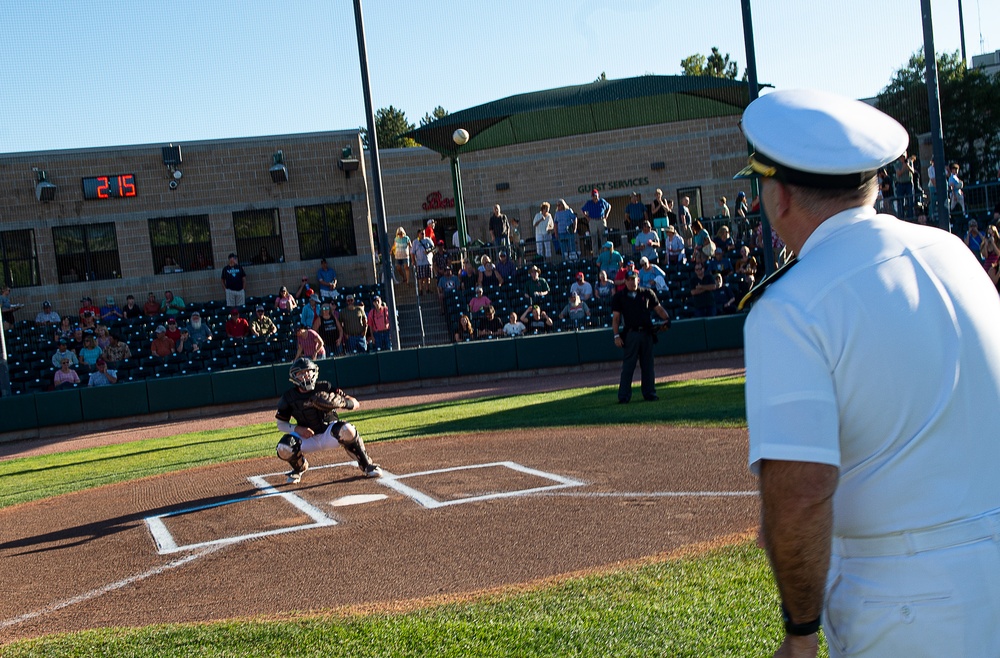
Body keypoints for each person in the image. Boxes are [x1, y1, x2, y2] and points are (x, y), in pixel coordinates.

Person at [735, 88, 1000, 658]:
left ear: (777, 196)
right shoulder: (954, 251)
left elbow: (802, 491)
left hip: (908, 605)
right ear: (871, 183)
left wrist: (800, 635)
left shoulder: (790, 306)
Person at [274, 357, 382, 483]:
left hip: (329, 433)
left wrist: (343, 403)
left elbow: (355, 403)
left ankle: (366, 465)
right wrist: (298, 429)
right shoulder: (288, 397)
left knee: (348, 429)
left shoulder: (325, 386)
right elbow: (281, 424)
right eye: (301, 373)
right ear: (294, 377)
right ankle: (299, 467)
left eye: (308, 371)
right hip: (308, 437)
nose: (305, 376)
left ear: (314, 372)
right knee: (283, 447)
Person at [611, 268, 670, 404]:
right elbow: (616, 318)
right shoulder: (619, 296)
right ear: (625, 281)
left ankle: (650, 393)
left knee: (648, 365)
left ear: (638, 279)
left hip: (646, 332)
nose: (632, 282)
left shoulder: (647, 293)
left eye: (634, 279)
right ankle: (624, 396)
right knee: (628, 367)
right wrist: (616, 336)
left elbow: (658, 308)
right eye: (629, 280)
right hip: (631, 333)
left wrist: (667, 319)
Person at [581, 189, 611, 257]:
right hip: (593, 221)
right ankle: (595, 255)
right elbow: (583, 210)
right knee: (594, 238)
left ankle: (605, 253)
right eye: (593, 196)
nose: (595, 197)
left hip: (601, 220)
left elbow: (609, 206)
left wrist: (606, 215)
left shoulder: (602, 201)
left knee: (603, 237)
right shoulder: (589, 203)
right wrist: (587, 217)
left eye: (596, 195)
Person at [412, 228, 435, 295]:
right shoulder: (415, 242)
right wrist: (413, 261)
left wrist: (429, 250)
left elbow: (433, 247)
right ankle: (421, 289)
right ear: (418, 234)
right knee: (420, 277)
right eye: (421, 233)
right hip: (419, 263)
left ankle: (427, 289)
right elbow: (412, 252)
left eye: (424, 233)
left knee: (427, 276)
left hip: (427, 261)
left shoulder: (428, 240)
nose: (423, 234)